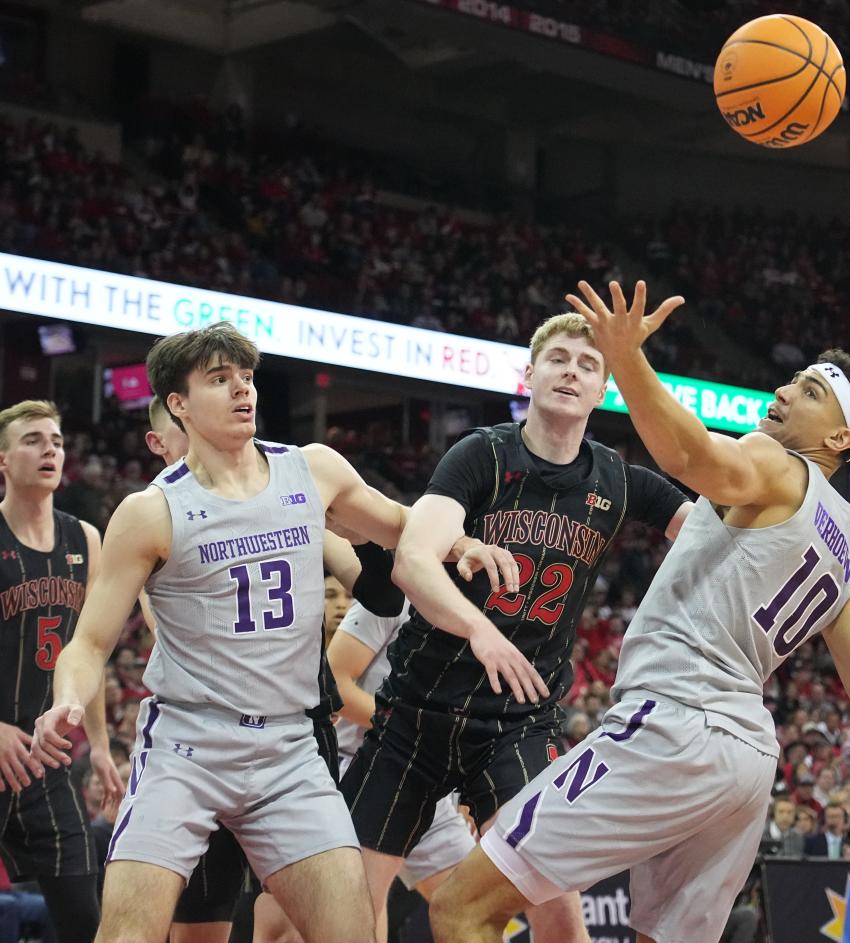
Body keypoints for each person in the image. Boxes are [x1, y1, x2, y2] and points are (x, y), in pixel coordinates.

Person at [428, 280, 850, 943]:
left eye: (809, 391)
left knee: (460, 906)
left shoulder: (773, 459)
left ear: (837, 435)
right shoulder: (848, 564)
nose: (782, 392)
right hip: (746, 763)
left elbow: (690, 456)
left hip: (676, 722)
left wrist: (627, 357)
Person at [30, 324, 525, 943]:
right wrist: (68, 702)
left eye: (247, 377)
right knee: (129, 932)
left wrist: (459, 542)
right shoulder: (149, 512)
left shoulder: (312, 471)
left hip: (289, 748)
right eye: (219, 379)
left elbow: (399, 523)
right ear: (177, 404)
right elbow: (89, 644)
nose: (242, 389)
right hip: (189, 744)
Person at [342, 311, 695, 943]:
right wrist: (478, 628)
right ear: (528, 374)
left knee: (558, 909)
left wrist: (843, 525)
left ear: (602, 391)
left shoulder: (615, 480)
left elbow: (727, 531)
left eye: (589, 365)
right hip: (417, 711)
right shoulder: (482, 454)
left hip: (516, 720)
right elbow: (413, 560)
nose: (572, 371)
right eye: (559, 359)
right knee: (343, 909)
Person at [143, 396, 407, 943]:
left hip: (297, 735)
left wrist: (365, 537)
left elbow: (381, 596)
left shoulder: (288, 500)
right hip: (202, 737)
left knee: (292, 922)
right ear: (163, 439)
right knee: (201, 925)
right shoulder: (158, 522)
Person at [0, 400, 124, 943]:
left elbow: (88, 651)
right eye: (32, 440)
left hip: (44, 762)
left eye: (55, 439)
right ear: (2, 460)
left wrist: (97, 746)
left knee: (84, 921)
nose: (49, 448)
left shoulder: (85, 540)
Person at [329, 598, 477, 940]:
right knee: (362, 907)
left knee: (470, 905)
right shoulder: (390, 598)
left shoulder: (475, 610)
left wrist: (469, 782)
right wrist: (405, 729)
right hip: (359, 763)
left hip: (427, 774)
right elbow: (336, 683)